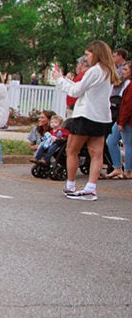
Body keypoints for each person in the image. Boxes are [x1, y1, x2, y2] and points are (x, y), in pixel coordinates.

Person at [52, 40, 117, 200]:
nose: (86, 57)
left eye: (88, 54)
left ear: (96, 54)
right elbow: (84, 88)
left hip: (85, 115)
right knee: (96, 153)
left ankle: (71, 185)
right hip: (101, 117)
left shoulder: (94, 71)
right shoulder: (108, 71)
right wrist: (67, 80)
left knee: (71, 150)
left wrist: (60, 79)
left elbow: (76, 91)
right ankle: (91, 187)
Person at [110, 60, 131, 180]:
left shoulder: (130, 85)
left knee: (128, 145)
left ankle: (128, 171)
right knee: (111, 141)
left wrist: (122, 121)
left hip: (126, 120)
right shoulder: (125, 83)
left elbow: (128, 106)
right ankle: (117, 168)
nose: (122, 72)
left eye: (125, 70)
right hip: (121, 118)